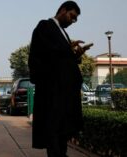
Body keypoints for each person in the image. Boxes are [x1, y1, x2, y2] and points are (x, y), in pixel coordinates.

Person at [28, 1, 93, 157]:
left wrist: (76, 55)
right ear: (63, 10)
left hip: (65, 93)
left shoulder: (63, 33)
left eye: (75, 19)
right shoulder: (45, 26)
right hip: (53, 93)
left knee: (63, 130)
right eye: (72, 16)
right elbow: (45, 52)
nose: (72, 21)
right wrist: (67, 48)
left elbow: (62, 57)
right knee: (53, 130)